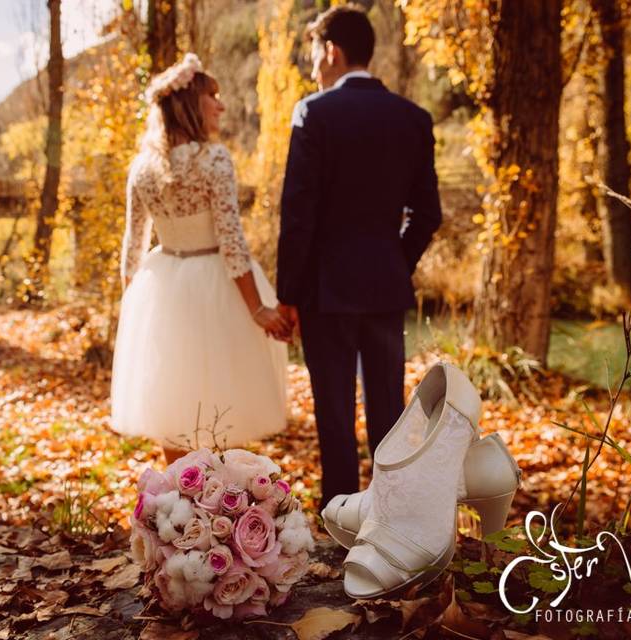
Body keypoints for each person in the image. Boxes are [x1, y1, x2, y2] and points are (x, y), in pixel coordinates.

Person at [276, 6, 443, 511]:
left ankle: (343, 527)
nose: (312, 67)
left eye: (313, 54)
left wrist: (289, 294)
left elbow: (298, 217)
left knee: (334, 418)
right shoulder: (413, 119)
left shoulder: (313, 113)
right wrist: (395, 261)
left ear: (332, 51)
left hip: (326, 292)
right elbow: (428, 214)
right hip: (385, 289)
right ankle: (393, 525)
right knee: (389, 416)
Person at [110, 53, 290, 465]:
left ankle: (177, 514)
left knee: (172, 404)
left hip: (163, 286)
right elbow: (231, 242)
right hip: (217, 288)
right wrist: (257, 308)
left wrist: (135, 309)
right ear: (191, 105)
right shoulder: (214, 160)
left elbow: (131, 250)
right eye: (213, 96)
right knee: (222, 409)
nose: (221, 105)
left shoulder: (141, 167)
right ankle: (217, 514)